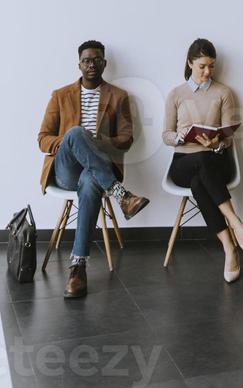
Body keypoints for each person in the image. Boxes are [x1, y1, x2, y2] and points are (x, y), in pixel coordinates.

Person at [38, 40, 150, 300]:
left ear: (104, 64)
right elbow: (43, 138)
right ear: (79, 64)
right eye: (86, 60)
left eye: (96, 60)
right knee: (76, 133)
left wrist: (95, 144)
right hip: (65, 170)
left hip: (95, 171)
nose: (91, 64)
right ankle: (121, 195)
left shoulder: (118, 96)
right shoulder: (60, 95)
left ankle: (78, 267)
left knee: (90, 183)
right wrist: (72, 141)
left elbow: (126, 138)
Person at [162, 38, 243, 283]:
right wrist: (179, 137)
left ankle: (229, 247)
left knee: (199, 178)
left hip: (215, 161)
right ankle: (236, 223)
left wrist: (217, 143)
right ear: (190, 63)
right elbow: (165, 135)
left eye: (211, 66)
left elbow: (227, 134)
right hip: (182, 161)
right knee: (196, 168)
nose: (207, 71)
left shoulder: (224, 93)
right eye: (202, 66)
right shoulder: (176, 94)